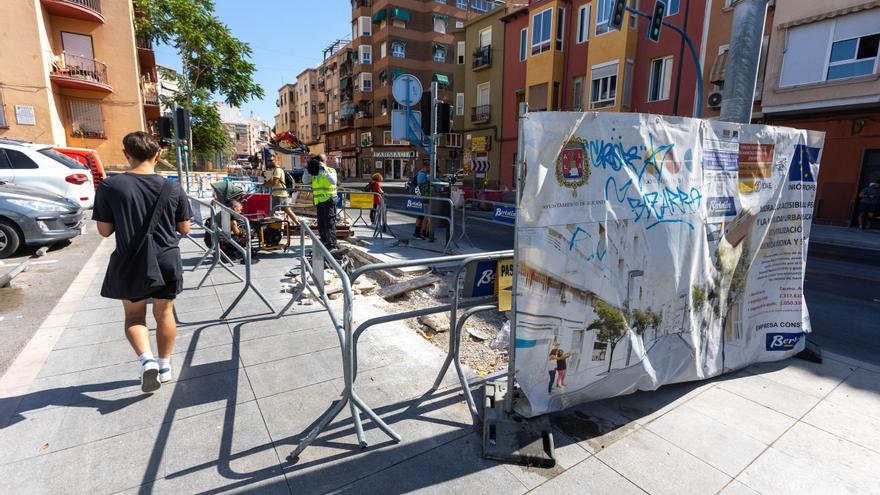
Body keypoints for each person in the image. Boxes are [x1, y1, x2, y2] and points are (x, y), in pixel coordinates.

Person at [93, 132, 191, 393]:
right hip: (167, 258)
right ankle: (165, 365)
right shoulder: (172, 187)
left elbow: (104, 231)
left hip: (131, 259)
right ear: (157, 155)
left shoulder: (109, 187)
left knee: (135, 315)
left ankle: (146, 361)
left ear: (126, 154)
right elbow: (185, 227)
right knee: (165, 313)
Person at [307, 155, 341, 253]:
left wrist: (324, 169)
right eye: (318, 160)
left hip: (329, 200)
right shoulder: (315, 172)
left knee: (329, 223)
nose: (319, 162)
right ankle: (324, 242)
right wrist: (307, 171)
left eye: (321, 160)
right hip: (319, 202)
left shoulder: (330, 170)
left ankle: (332, 244)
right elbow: (306, 181)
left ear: (325, 161)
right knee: (321, 224)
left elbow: (333, 181)